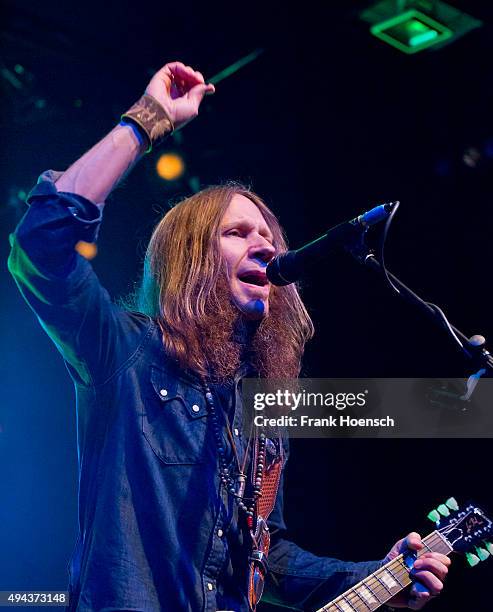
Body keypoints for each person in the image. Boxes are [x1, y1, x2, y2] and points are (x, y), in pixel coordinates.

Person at [8, 61, 450, 611]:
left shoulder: (261, 415)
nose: (264, 245)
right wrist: (147, 122)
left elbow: (270, 558)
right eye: (238, 233)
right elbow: (40, 246)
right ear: (190, 259)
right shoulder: (125, 353)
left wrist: (377, 576)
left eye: (268, 235)